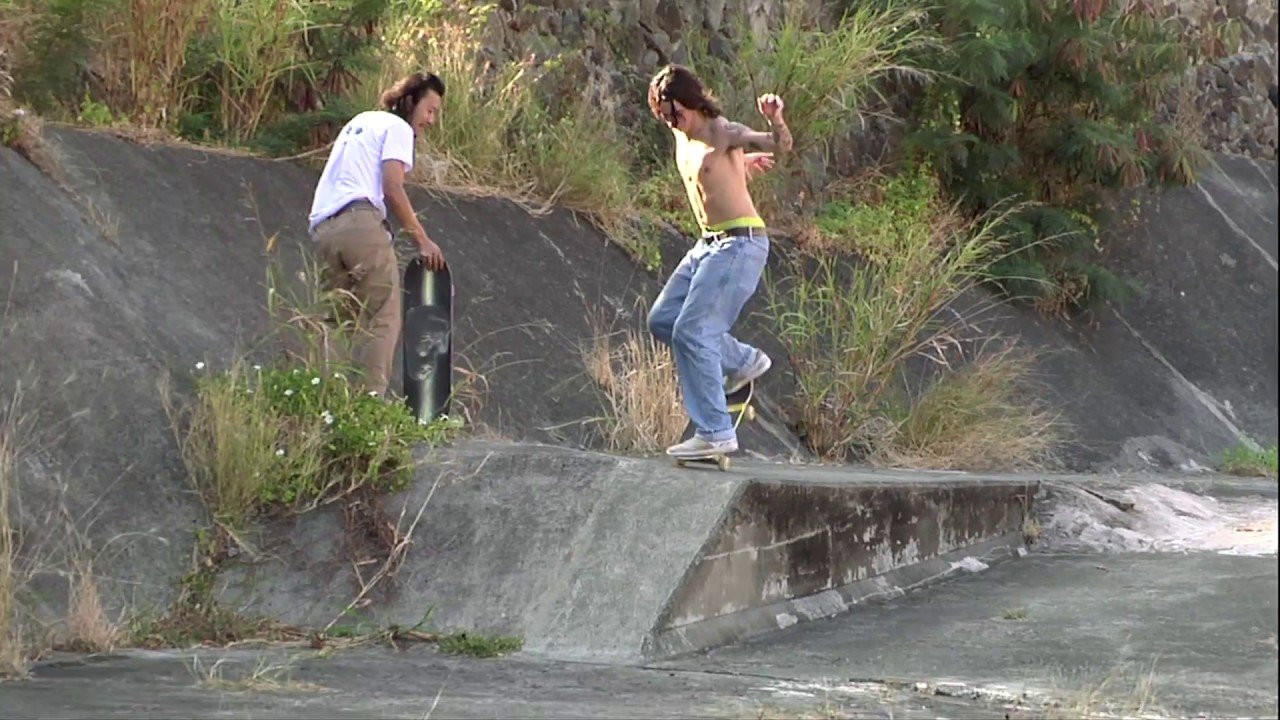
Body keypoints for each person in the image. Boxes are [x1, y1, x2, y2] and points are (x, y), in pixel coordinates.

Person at [645, 64, 792, 459]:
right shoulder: (683, 137)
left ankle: (716, 433)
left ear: (693, 103)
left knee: (694, 332)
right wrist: (742, 167)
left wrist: (775, 119)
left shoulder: (722, 131)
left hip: (740, 245)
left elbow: (780, 145)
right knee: (663, 320)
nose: (671, 122)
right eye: (663, 116)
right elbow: (710, 171)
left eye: (675, 113)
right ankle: (744, 360)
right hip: (707, 246)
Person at [307, 72, 447, 397]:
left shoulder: (362, 121)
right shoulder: (398, 128)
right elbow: (392, 186)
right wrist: (422, 240)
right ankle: (370, 406)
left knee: (335, 321)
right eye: (430, 109)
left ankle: (327, 406)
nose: (431, 119)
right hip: (359, 221)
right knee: (383, 314)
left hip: (324, 226)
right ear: (411, 102)